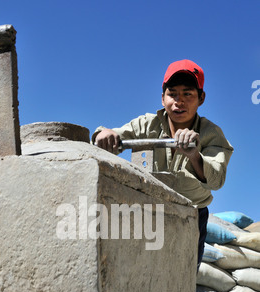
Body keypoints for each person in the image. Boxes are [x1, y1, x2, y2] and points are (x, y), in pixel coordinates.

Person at [92, 59, 233, 268]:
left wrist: (194, 155)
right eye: (172, 94)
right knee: (140, 270)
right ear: (162, 98)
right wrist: (104, 133)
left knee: (182, 277)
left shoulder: (211, 134)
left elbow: (216, 180)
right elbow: (112, 136)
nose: (179, 101)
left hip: (192, 215)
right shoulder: (146, 124)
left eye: (187, 94)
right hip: (147, 212)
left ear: (201, 98)